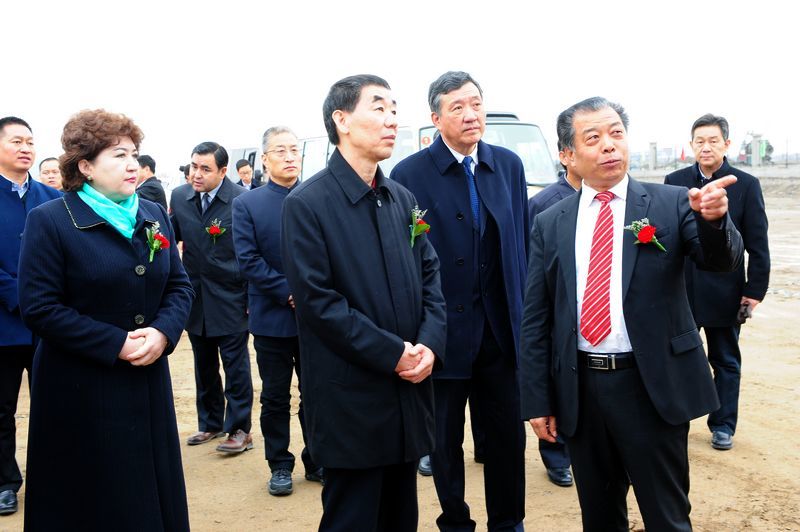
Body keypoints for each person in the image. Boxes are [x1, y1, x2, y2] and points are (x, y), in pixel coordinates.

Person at [520, 97, 743, 531]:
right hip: (582, 391)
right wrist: (538, 399)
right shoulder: (551, 221)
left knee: (667, 517)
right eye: (593, 138)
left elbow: (720, 261)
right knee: (600, 518)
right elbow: (536, 317)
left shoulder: (671, 203)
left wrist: (715, 222)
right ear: (567, 156)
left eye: (616, 133)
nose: (609, 145)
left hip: (651, 387)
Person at [281, 74, 446, 532]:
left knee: (401, 515)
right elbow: (318, 303)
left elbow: (430, 275)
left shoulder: (401, 198)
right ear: (342, 120)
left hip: (408, 388)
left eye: (394, 110)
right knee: (352, 516)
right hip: (351, 398)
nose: (392, 120)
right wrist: (392, 352)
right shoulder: (307, 203)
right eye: (378, 108)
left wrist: (430, 343)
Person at [17, 109, 194, 531]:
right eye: (118, 155)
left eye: (133, 153)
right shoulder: (51, 220)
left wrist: (163, 332)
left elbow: (179, 286)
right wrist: (115, 343)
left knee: (147, 493)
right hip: (80, 386)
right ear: (85, 166)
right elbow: (39, 306)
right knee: (91, 499)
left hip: (147, 376)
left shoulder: (153, 213)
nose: (132, 164)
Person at [391, 71, 528, 531]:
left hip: (500, 334)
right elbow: (406, 262)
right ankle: (454, 521)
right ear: (436, 118)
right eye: (457, 107)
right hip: (442, 335)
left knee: (507, 438)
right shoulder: (409, 175)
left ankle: (508, 522)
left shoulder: (508, 166)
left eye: (476, 104)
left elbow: (521, 248)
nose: (471, 115)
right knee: (444, 442)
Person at [665, 113, 770, 451]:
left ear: (726, 144)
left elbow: (758, 244)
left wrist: (753, 292)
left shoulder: (746, 184)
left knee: (725, 360)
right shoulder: (674, 181)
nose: (706, 147)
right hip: (682, 291)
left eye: (713, 141)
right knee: (677, 359)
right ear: (691, 145)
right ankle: (675, 420)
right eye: (700, 141)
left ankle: (723, 424)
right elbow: (668, 237)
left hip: (726, 291)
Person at [232, 126, 321, 496]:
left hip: (317, 317)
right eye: (280, 151)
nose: (289, 157)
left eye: (294, 150)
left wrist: (311, 292)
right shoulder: (247, 204)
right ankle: (280, 464)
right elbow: (248, 259)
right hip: (272, 317)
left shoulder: (317, 196)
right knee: (275, 396)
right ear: (265, 160)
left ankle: (317, 459)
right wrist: (288, 292)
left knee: (317, 393)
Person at [170, 141, 254, 454]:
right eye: (194, 166)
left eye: (205, 168)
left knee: (235, 367)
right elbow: (170, 239)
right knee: (203, 364)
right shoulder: (179, 197)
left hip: (232, 296)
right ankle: (210, 422)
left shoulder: (241, 200)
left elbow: (252, 250)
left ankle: (240, 429)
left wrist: (251, 296)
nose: (197, 174)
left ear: (222, 171)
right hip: (195, 296)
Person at [0, 116, 61, 517]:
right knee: (2, 410)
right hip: (4, 325)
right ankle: (5, 482)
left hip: (50, 327)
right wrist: (23, 297)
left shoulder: (52, 198)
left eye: (30, 142)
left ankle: (53, 478)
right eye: (16, 141)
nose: (26, 148)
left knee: (53, 404)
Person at [525, 144, 581, 488]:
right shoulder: (543, 204)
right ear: (566, 155)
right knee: (557, 379)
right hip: (557, 308)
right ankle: (556, 456)